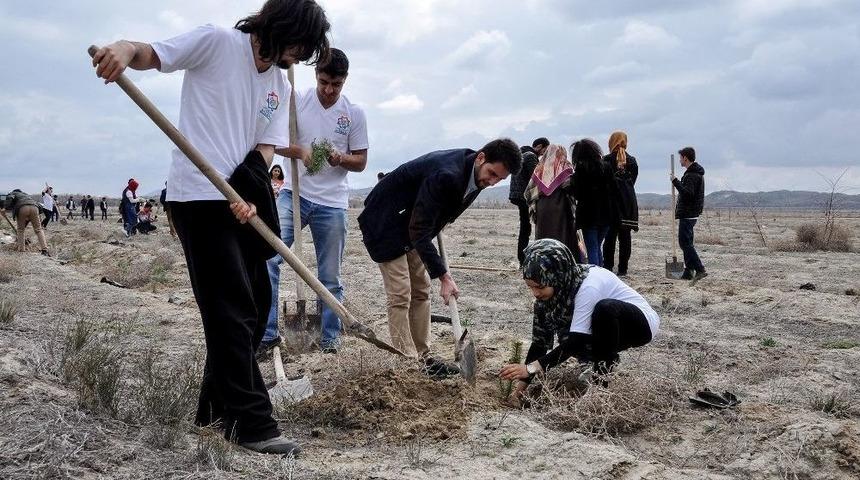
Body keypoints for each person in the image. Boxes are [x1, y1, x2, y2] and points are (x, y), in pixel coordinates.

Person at [91, 0, 329, 455]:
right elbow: (151, 53)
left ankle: (215, 411)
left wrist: (250, 188)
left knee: (256, 305)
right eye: (300, 45)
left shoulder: (278, 83)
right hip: (197, 196)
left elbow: (265, 148)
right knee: (230, 308)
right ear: (282, 28)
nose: (300, 56)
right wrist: (121, 48)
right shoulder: (217, 42)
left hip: (239, 200)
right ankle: (253, 424)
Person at [358, 138, 521, 376]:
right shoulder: (447, 174)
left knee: (422, 290)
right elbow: (420, 230)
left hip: (412, 224)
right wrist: (444, 276)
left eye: (500, 179)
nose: (492, 181)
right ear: (481, 158)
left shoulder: (476, 175)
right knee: (401, 293)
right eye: (492, 174)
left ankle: (423, 357)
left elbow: (433, 218)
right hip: (384, 223)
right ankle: (406, 361)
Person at [264, 48, 369, 354]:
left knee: (329, 275)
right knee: (269, 258)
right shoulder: (297, 100)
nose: (328, 90)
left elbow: (361, 161)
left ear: (344, 80)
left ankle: (329, 340)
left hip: (332, 203)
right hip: (294, 194)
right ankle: (268, 333)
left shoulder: (354, 113)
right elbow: (275, 140)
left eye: (335, 84)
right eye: (324, 82)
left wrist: (341, 158)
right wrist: (301, 152)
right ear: (316, 76)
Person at [499, 239, 659, 402]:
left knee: (604, 310)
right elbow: (539, 344)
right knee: (569, 332)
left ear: (557, 277)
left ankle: (600, 391)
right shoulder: (547, 298)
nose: (535, 293)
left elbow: (576, 341)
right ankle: (592, 366)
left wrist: (531, 369)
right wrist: (518, 394)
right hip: (604, 328)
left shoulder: (587, 286)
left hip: (639, 325)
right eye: (530, 287)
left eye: (540, 287)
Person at [524, 144, 579, 261]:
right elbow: (571, 187)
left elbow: (529, 192)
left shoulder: (540, 168)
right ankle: (563, 261)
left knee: (543, 234)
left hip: (542, 206)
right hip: (561, 206)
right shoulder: (565, 166)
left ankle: (543, 261)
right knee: (562, 235)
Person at [571, 138, 613, 266]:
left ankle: (596, 276)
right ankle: (602, 274)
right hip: (606, 214)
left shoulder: (581, 170)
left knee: (592, 248)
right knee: (597, 246)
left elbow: (577, 194)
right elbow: (614, 189)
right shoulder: (606, 167)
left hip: (588, 216)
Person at [602, 131, 639, 277]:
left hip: (610, 204)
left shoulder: (605, 160)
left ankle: (607, 267)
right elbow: (632, 183)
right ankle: (623, 268)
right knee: (625, 237)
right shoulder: (632, 161)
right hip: (627, 205)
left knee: (609, 237)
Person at [672, 146, 706, 280]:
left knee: (685, 243)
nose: (680, 160)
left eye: (681, 158)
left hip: (688, 213)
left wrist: (675, 181)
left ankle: (699, 269)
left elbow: (687, 194)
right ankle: (688, 271)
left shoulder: (691, 175)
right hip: (691, 213)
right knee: (687, 242)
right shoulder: (695, 173)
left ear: (685, 158)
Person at [509, 144, 539, 265]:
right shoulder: (531, 156)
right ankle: (524, 259)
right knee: (527, 228)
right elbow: (535, 178)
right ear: (540, 146)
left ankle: (522, 258)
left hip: (517, 195)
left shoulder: (520, 156)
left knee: (524, 227)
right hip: (526, 197)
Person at [3, 189, 50, 255]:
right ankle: (45, 250)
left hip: (22, 208)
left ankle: (21, 250)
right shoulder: (26, 195)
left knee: (20, 230)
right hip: (34, 208)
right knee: (39, 229)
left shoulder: (12, 193)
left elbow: (8, 199)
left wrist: (4, 208)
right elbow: (38, 205)